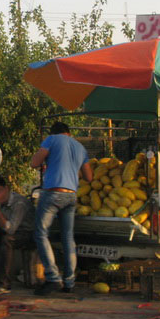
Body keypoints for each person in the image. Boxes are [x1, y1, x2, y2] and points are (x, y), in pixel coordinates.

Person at [29, 121, 93, 295]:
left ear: (55, 133)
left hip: (53, 193)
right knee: (68, 237)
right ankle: (69, 282)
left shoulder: (51, 140)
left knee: (41, 233)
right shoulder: (80, 147)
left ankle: (52, 278)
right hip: (71, 195)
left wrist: (47, 161)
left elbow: (35, 163)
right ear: (69, 133)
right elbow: (88, 176)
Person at [0, 175, 35, 294]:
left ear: (6, 189)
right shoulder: (1, 203)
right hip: (13, 231)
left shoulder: (19, 203)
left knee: (7, 240)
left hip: (28, 234)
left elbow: (11, 229)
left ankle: (3, 284)